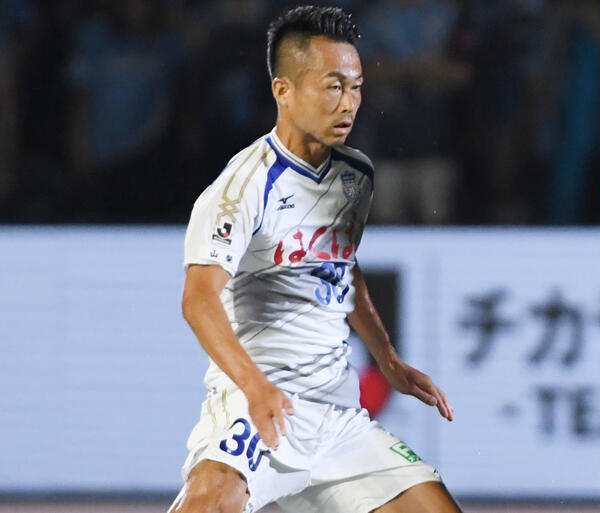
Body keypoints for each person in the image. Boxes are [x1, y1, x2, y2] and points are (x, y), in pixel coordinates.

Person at [168, 6, 461, 513]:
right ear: (283, 90)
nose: (349, 103)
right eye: (333, 87)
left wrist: (387, 360)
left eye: (357, 87)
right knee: (211, 501)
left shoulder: (355, 175)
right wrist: (255, 387)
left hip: (336, 418)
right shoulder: (243, 187)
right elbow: (197, 300)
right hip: (256, 404)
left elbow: (342, 266)